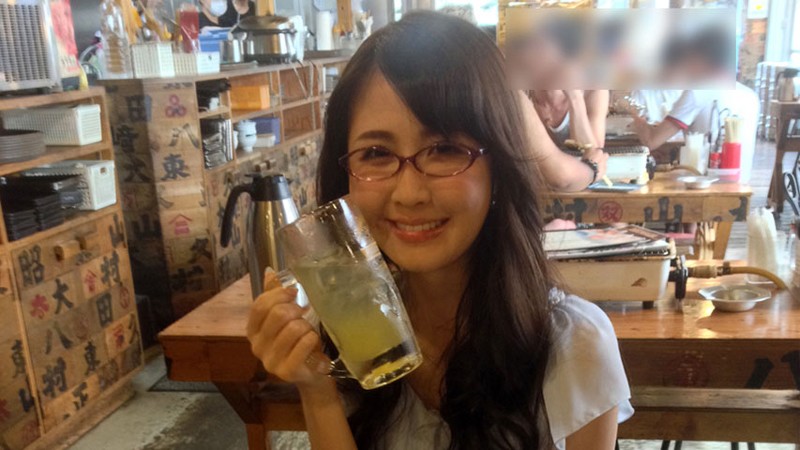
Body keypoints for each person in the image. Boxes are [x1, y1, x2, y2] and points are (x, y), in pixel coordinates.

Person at [246, 11, 632, 450]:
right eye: (376, 153)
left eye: (445, 149)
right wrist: (317, 391)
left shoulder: (574, 343)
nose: (409, 193)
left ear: (500, 167)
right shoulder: (345, 332)